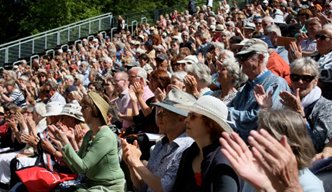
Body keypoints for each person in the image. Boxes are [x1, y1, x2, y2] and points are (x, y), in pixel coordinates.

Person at [221, 109, 324, 192]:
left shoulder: (310, 186)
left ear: (290, 145)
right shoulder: (258, 172)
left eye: (264, 138)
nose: (254, 143)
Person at [122, 89, 195, 192]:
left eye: (165, 112)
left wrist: (136, 162)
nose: (158, 115)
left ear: (181, 119)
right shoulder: (161, 144)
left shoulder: (187, 148)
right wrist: (131, 166)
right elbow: (142, 187)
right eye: (159, 110)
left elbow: (163, 188)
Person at [55, 92, 125, 191]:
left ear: (95, 109)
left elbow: (83, 167)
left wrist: (65, 142)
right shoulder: (89, 135)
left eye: (85, 107)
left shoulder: (106, 136)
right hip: (91, 185)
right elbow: (76, 167)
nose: (81, 110)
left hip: (110, 188)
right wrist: (61, 145)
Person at [172, 95, 242, 191]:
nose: (186, 120)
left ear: (210, 124)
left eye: (193, 116)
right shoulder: (189, 153)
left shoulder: (224, 163)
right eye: (188, 115)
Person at [228, 38, 290, 140]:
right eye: (239, 58)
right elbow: (231, 107)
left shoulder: (276, 84)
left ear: (260, 58)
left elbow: (260, 120)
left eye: (244, 57)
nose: (240, 62)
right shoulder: (246, 85)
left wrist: (226, 113)